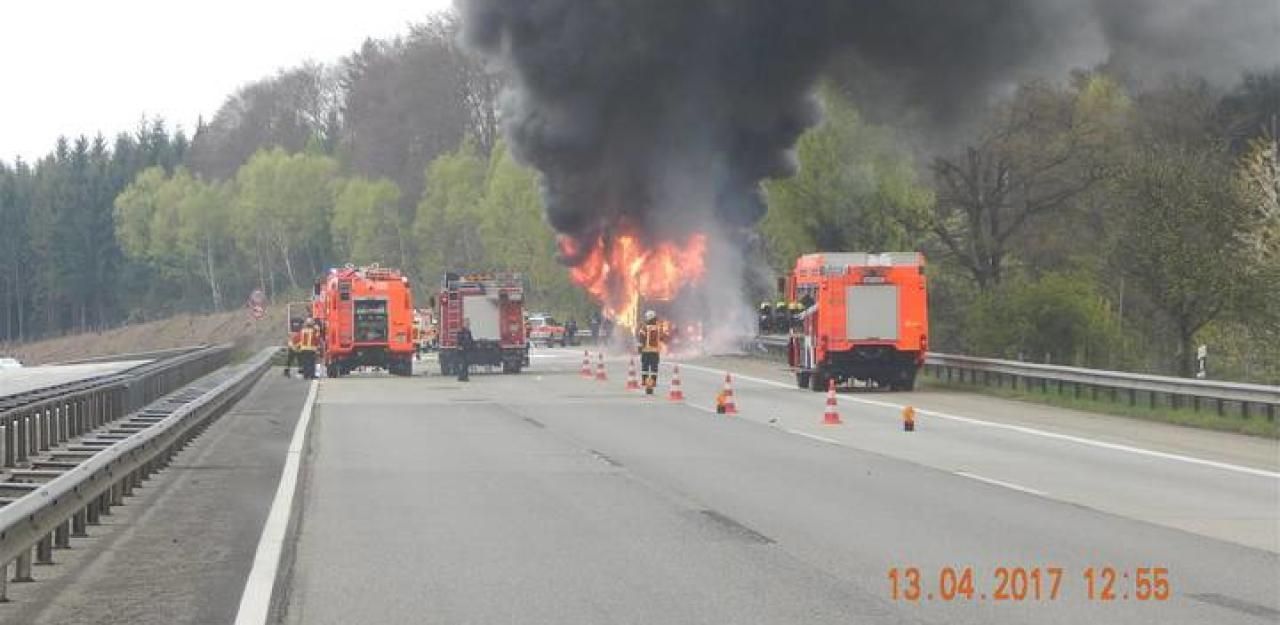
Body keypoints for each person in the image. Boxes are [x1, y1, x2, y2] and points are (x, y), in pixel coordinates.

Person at [636, 310, 666, 395]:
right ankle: (653, 382)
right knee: (654, 368)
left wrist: (639, 349)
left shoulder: (644, 328)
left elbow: (641, 340)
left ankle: (644, 381)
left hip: (645, 352)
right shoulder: (658, 328)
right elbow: (662, 338)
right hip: (655, 352)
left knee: (645, 368)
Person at [456, 318, 475, 382]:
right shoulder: (460, 331)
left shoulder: (468, 332)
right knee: (463, 364)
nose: (468, 325)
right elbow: (458, 340)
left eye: (468, 324)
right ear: (464, 324)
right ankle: (461, 377)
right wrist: (459, 346)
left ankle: (465, 376)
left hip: (467, 350)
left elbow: (471, 340)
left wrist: (472, 346)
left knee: (466, 364)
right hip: (462, 351)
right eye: (467, 323)